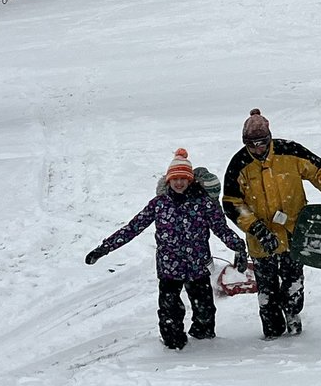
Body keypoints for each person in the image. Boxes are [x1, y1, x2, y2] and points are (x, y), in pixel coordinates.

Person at [86, 148, 249, 350]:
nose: (179, 183)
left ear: (190, 180)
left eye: (183, 178)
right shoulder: (159, 205)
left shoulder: (203, 204)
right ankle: (172, 342)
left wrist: (239, 248)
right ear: (168, 180)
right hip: (169, 269)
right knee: (169, 313)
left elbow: (221, 229)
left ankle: (205, 343)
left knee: (205, 314)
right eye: (175, 178)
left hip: (198, 267)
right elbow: (132, 228)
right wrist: (104, 248)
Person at [222, 108, 321, 338]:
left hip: (294, 233)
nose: (257, 149)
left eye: (261, 143)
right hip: (261, 240)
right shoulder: (238, 164)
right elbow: (232, 203)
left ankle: (293, 316)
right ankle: (272, 333)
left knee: (294, 282)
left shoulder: (289, 151)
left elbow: (319, 171)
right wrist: (257, 228)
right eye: (251, 145)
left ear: (270, 139)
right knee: (267, 290)